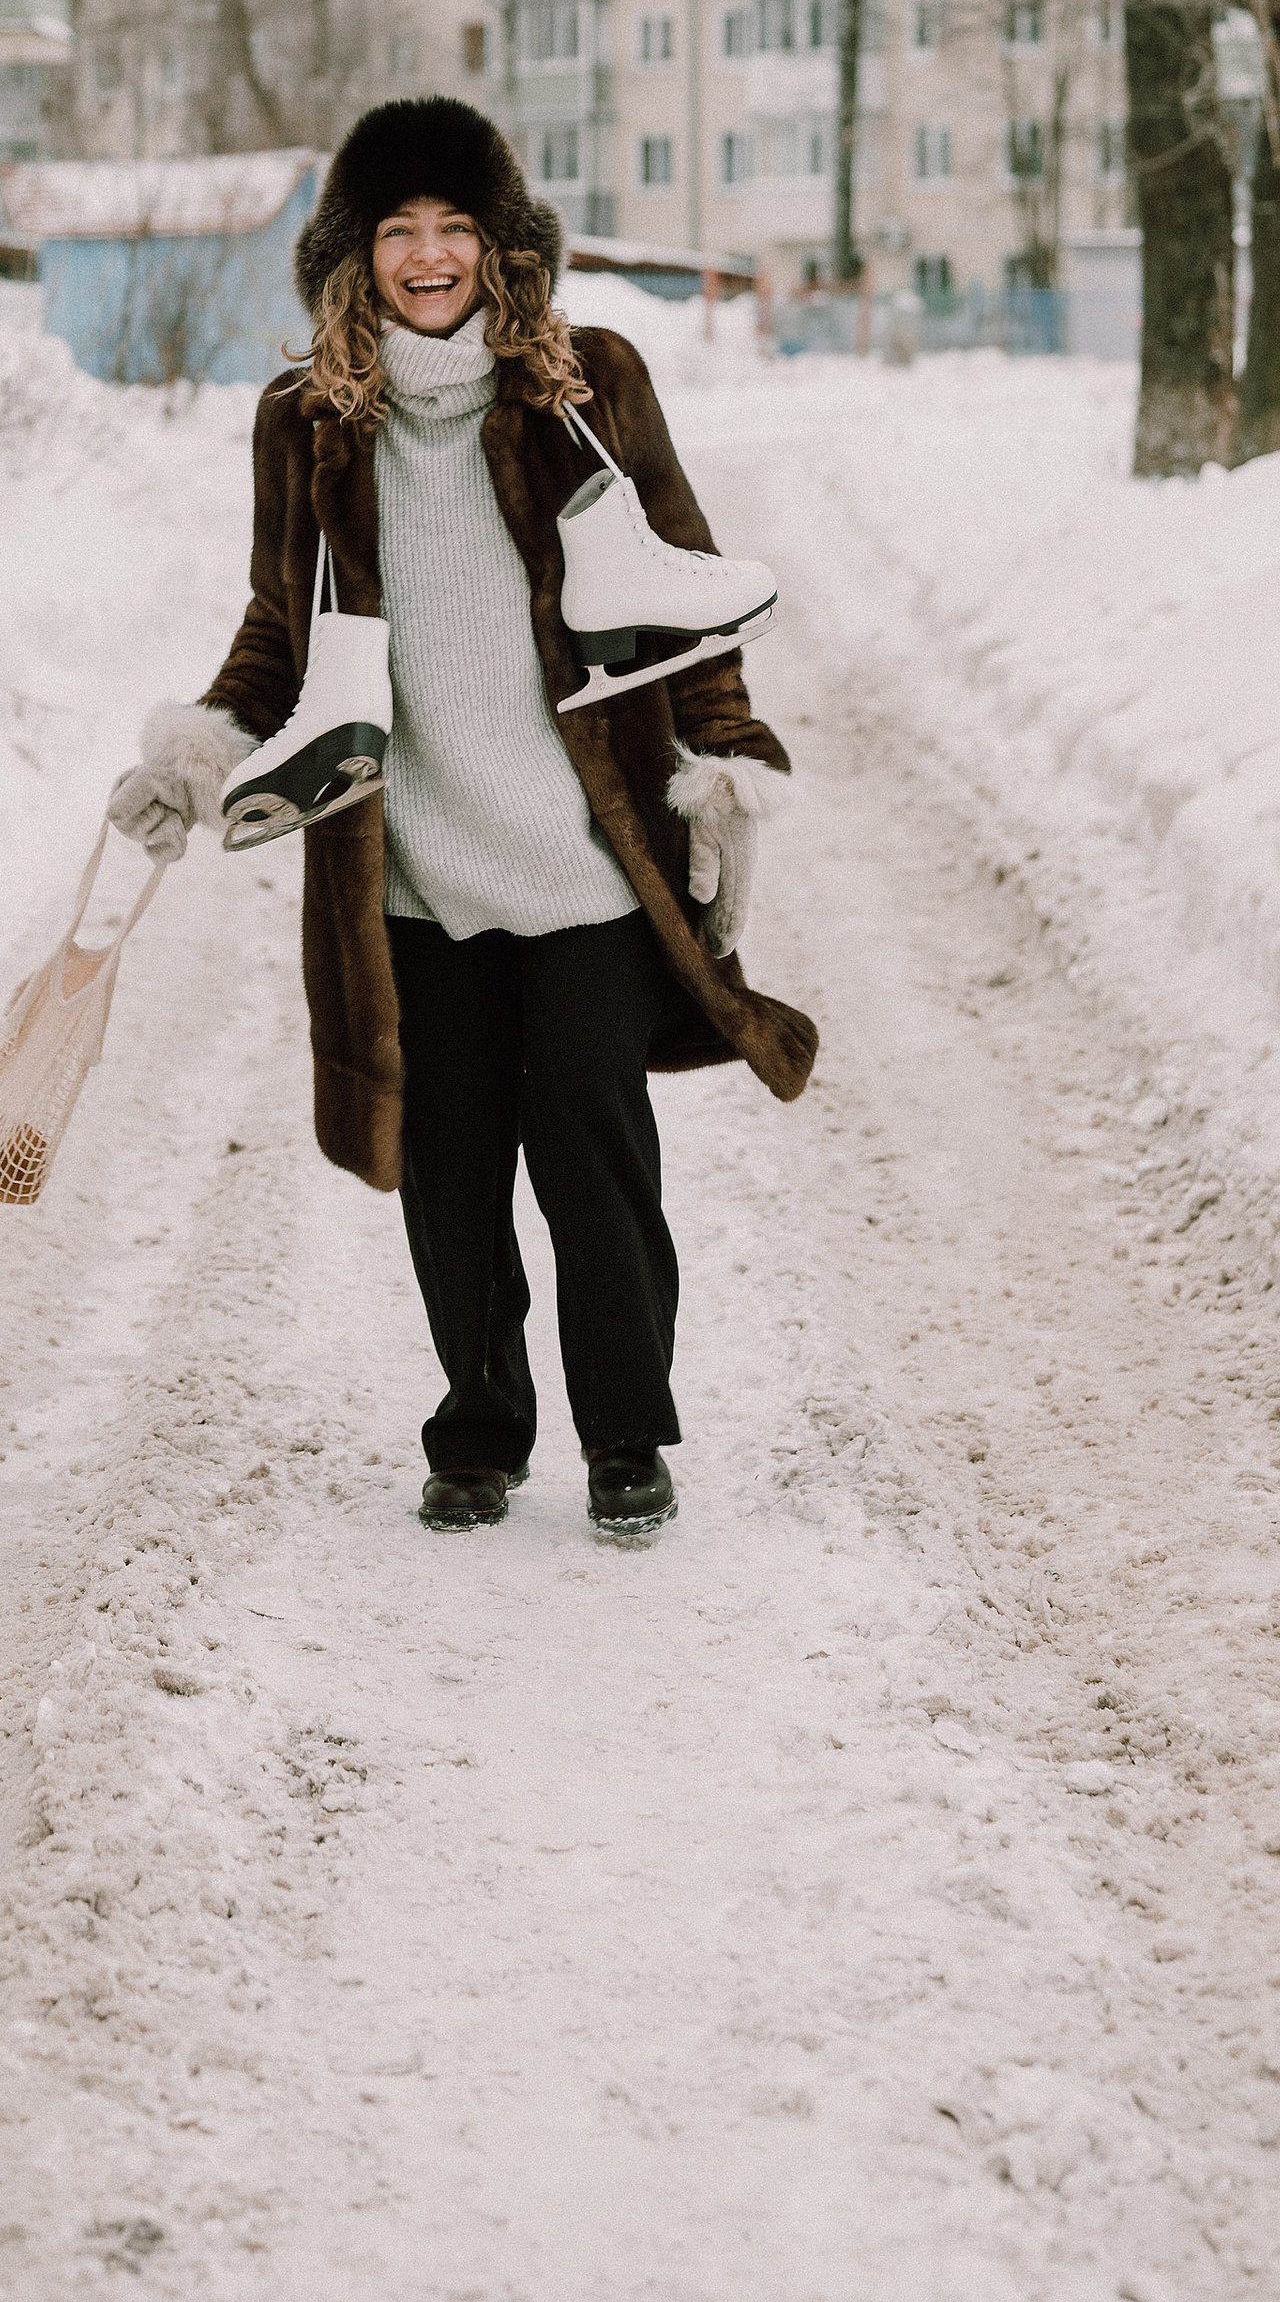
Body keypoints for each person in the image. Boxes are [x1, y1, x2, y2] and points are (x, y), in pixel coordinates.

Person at [107, 98, 816, 1535]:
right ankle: (480, 1426)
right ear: (354, 256)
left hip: (585, 863)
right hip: (415, 871)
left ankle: (627, 1434)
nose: (429, 256)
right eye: (398, 231)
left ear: (502, 246)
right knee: (454, 1170)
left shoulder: (586, 382)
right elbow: (276, 626)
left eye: (455, 228)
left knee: (595, 1159)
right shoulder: (307, 422)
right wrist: (200, 753)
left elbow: (681, 590)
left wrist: (725, 763)